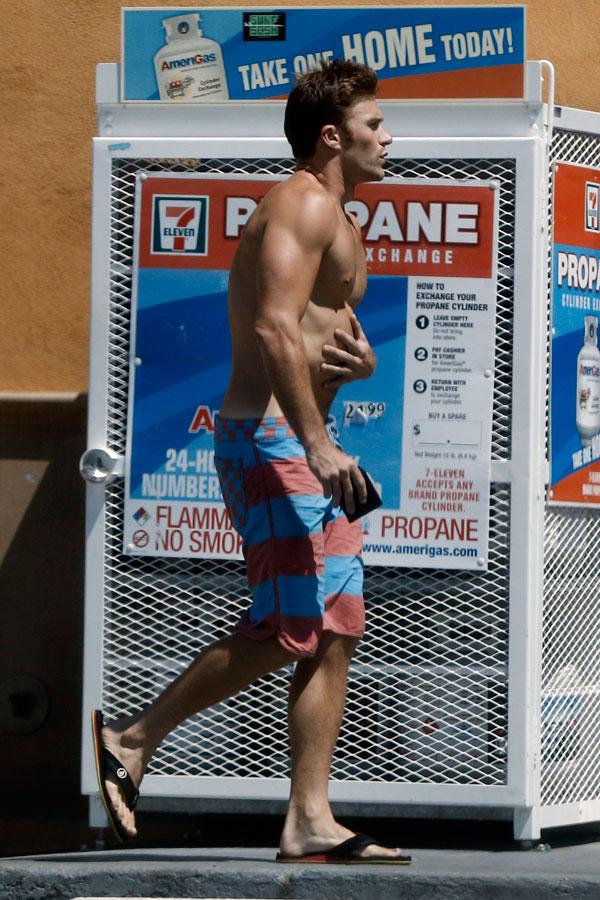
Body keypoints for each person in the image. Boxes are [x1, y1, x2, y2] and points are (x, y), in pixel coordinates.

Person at [92, 59, 411, 865]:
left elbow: (309, 331)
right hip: (276, 445)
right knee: (291, 628)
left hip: (303, 446)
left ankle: (309, 818)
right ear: (333, 136)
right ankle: (133, 739)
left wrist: (358, 367)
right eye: (375, 126)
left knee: (336, 629)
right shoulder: (303, 203)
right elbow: (272, 326)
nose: (389, 138)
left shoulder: (338, 214)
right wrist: (316, 442)